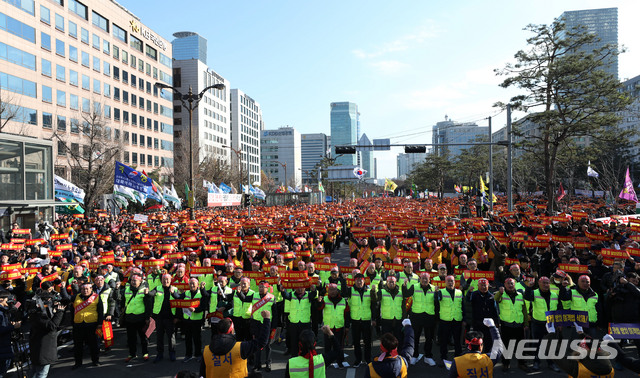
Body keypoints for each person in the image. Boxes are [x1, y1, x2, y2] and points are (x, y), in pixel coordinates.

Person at [199, 310, 271, 378]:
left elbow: (202, 375)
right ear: (231, 331)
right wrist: (267, 319)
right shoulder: (240, 348)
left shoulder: (206, 351)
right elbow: (262, 342)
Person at [494, 278, 529, 372]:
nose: (510, 285)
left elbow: (524, 310)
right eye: (508, 283)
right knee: (506, 346)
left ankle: (522, 363)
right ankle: (506, 364)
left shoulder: (520, 295)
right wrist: (499, 292)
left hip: (519, 324)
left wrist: (526, 323)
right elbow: (495, 299)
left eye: (512, 283)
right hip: (506, 324)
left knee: (520, 345)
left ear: (515, 284)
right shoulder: (501, 294)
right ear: (505, 285)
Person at [28, 289, 66, 378]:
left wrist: (53, 311)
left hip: (39, 348)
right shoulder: (39, 313)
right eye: (49, 300)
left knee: (34, 372)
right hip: (43, 349)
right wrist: (59, 313)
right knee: (42, 374)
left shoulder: (36, 311)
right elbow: (52, 326)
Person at [402, 272, 437, 366]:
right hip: (417, 315)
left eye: (426, 278)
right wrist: (404, 285)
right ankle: (415, 355)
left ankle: (428, 356)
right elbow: (406, 294)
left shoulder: (434, 288)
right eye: (422, 278)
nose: (424, 280)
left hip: (429, 315)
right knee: (416, 337)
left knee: (429, 338)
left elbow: (437, 302)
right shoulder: (414, 286)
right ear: (419, 279)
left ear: (429, 279)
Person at [345, 273, 375, 367]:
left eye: (361, 280)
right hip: (355, 320)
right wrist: (344, 281)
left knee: (367, 341)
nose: (359, 282)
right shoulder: (350, 290)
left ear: (364, 281)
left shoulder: (369, 290)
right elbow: (343, 293)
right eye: (357, 280)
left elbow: (374, 306)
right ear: (354, 281)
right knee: (356, 342)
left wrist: (373, 319)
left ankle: (367, 359)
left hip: (366, 319)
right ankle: (358, 359)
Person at [71, 282, 103, 368]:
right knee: (78, 345)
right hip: (78, 324)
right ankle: (78, 363)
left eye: (87, 289)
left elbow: (100, 311)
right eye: (83, 289)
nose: (85, 291)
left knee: (93, 344)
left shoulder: (96, 297)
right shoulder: (75, 297)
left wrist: (100, 323)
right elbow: (71, 311)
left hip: (92, 324)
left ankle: (95, 360)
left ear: (91, 289)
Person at [122, 273, 152, 362]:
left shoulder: (144, 290)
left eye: (135, 280)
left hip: (140, 317)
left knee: (143, 337)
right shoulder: (127, 289)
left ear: (140, 281)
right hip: (129, 317)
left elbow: (148, 305)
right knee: (131, 338)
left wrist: (147, 318)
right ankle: (132, 354)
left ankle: (145, 353)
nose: (133, 282)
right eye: (132, 280)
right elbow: (123, 301)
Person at [150, 273, 180, 362]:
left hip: (170, 317)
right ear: (161, 280)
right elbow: (152, 294)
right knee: (159, 337)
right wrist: (148, 292)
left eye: (167, 279)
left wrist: (177, 317)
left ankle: (172, 353)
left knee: (171, 336)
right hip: (159, 317)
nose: (165, 281)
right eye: (164, 279)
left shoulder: (174, 289)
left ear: (170, 281)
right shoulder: (157, 288)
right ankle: (159, 354)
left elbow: (178, 302)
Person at [318, 283, 348, 368]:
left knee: (339, 346)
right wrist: (319, 302)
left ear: (337, 290)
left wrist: (347, 326)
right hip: (328, 328)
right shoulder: (325, 299)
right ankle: (327, 362)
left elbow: (346, 314)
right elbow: (319, 308)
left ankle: (340, 362)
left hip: (339, 327)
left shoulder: (343, 300)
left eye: (334, 290)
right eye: (330, 290)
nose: (332, 292)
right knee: (327, 346)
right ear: (328, 291)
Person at [180, 277, 209, 363]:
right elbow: (178, 297)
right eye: (190, 284)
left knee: (197, 338)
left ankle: (198, 354)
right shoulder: (186, 293)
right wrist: (173, 292)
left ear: (197, 285)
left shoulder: (201, 293)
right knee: (187, 339)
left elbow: (203, 307)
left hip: (196, 320)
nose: (192, 285)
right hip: (187, 319)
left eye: (193, 284)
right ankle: (188, 355)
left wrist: (195, 310)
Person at [436, 275, 463, 366]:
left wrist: (464, 318)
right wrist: (436, 294)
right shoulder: (441, 292)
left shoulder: (459, 292)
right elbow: (436, 300)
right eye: (448, 281)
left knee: (457, 341)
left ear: (454, 282)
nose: (450, 283)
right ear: (445, 282)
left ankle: (458, 359)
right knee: (444, 341)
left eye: (452, 281)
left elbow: (462, 306)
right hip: (445, 320)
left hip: (457, 319)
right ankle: (443, 358)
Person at [250, 280, 277, 372]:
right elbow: (244, 299)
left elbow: (275, 313)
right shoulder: (254, 295)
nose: (261, 289)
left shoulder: (272, 297)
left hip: (267, 324)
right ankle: (257, 364)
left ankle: (268, 363)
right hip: (256, 323)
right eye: (260, 287)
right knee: (257, 344)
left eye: (263, 287)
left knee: (267, 345)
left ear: (267, 288)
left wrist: (274, 326)